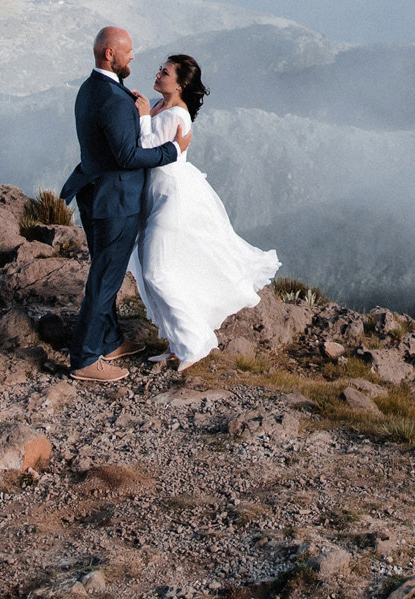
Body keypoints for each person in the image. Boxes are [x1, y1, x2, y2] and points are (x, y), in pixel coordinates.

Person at [128, 53, 282, 368]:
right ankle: (175, 344)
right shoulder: (161, 107)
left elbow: (149, 152)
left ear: (182, 84)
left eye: (166, 72)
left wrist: (143, 116)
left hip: (172, 196)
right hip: (154, 196)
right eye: (161, 68)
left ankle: (194, 342)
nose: (158, 74)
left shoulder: (177, 116)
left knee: (157, 271)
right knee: (151, 270)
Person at [57, 26, 185, 383]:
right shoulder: (113, 98)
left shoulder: (91, 89)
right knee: (105, 279)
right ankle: (84, 358)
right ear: (110, 54)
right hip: (115, 201)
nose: (133, 57)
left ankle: (110, 340)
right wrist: (172, 151)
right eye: (128, 51)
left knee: (105, 271)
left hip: (97, 194)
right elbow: (127, 155)